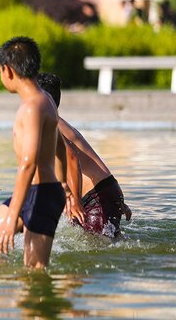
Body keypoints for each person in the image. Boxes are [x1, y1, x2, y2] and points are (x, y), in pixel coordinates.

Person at [0, 37, 69, 269]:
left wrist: (12, 217)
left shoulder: (32, 107)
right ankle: (7, 297)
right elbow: (61, 148)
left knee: (34, 271)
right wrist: (63, 185)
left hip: (40, 195)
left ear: (8, 70)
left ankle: (47, 300)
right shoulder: (45, 99)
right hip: (37, 193)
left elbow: (28, 163)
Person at [36, 72, 132, 237]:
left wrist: (76, 200)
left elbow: (72, 159)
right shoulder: (58, 121)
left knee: (98, 253)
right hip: (103, 191)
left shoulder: (48, 123)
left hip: (95, 197)